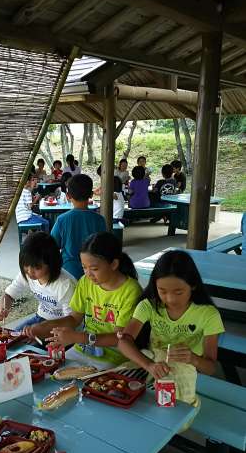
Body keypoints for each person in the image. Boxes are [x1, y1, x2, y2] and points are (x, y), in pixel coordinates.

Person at [117, 250, 224, 405]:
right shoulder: (149, 306)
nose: (170, 299)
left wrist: (193, 358)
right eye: (162, 291)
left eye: (178, 292)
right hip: (154, 363)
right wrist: (149, 365)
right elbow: (123, 342)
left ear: (193, 285)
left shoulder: (208, 315)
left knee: (168, 404)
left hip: (187, 369)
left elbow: (210, 368)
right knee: (123, 390)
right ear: (155, 286)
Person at [23, 232, 142, 370]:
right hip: (84, 348)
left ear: (114, 264)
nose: (88, 274)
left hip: (114, 355)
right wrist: (44, 327)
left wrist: (79, 338)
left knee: (89, 380)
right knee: (53, 371)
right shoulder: (85, 282)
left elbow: (119, 338)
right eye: (84, 267)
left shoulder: (131, 291)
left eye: (94, 269)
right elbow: (74, 318)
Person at [0, 232, 76, 331]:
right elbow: (8, 295)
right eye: (26, 265)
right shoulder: (27, 275)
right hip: (41, 318)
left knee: (23, 339)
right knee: (13, 336)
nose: (30, 271)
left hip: (62, 326)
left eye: (37, 267)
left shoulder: (65, 284)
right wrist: (3, 308)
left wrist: (43, 328)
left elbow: (71, 321)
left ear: (51, 263)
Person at [50, 174, 107, 279]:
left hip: (69, 272)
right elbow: (104, 247)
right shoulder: (99, 220)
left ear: (68, 196)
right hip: (93, 272)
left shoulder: (62, 219)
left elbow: (52, 246)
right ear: (91, 195)